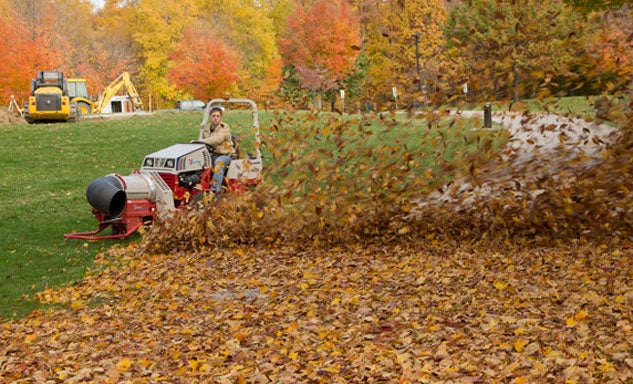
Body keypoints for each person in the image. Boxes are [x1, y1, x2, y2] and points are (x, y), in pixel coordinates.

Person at [198, 106, 235, 193]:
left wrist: (200, 141)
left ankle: (215, 191)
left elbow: (217, 139)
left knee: (219, 162)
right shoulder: (206, 129)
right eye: (213, 116)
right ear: (210, 117)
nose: (215, 118)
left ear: (221, 117)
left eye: (218, 116)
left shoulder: (224, 127)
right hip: (211, 155)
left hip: (226, 156)